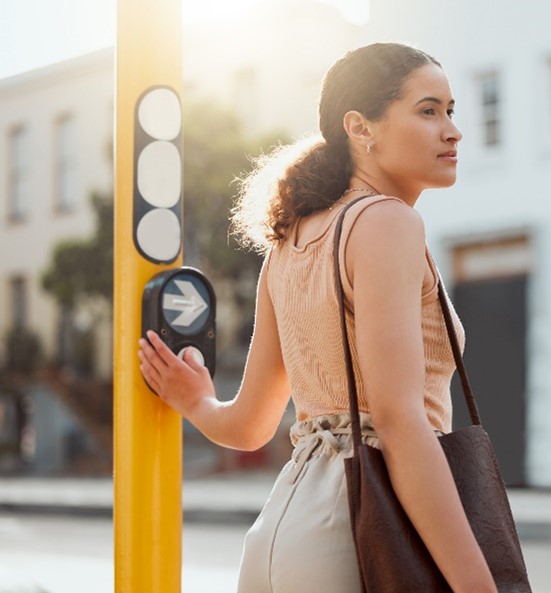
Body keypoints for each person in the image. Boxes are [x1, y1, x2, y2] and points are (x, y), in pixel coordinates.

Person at [137, 42, 497, 593]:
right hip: (360, 536)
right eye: (428, 111)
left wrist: (196, 402)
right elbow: (400, 422)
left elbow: (252, 425)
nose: (452, 131)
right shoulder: (387, 222)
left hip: (282, 530)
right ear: (361, 127)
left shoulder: (287, 246)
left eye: (451, 111)